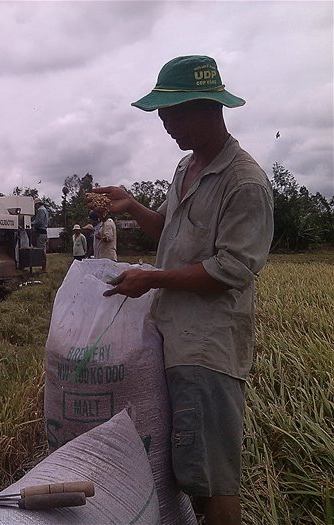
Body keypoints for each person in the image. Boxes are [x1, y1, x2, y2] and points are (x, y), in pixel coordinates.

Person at [88, 55, 274, 525]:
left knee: (211, 482)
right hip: (171, 340)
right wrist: (132, 207)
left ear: (206, 108)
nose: (165, 124)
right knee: (187, 473)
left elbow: (230, 270)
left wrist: (151, 279)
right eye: (162, 115)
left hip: (207, 351)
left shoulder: (244, 183)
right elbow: (170, 234)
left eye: (172, 114)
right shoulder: (186, 168)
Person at [31, 197, 49, 272]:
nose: (34, 207)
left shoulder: (41, 210)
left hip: (40, 231)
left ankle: (43, 267)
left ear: (37, 204)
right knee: (42, 249)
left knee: (41, 250)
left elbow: (39, 222)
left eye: (35, 205)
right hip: (43, 231)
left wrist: (31, 223)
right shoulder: (45, 210)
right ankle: (43, 267)